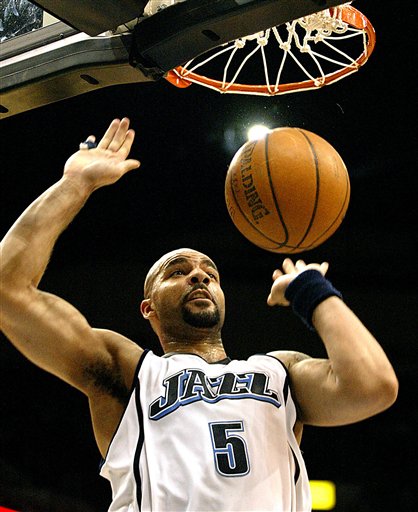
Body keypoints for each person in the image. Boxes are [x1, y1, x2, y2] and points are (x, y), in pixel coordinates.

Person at [0, 118, 398, 512]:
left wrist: (314, 293)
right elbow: (8, 290)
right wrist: (76, 184)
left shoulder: (281, 372)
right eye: (177, 272)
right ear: (148, 307)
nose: (198, 275)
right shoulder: (128, 371)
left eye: (211, 273)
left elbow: (374, 386)